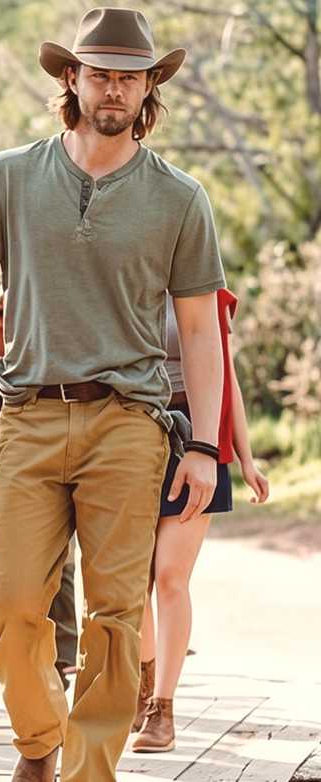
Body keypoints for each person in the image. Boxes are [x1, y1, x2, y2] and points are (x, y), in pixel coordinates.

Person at [0, 8, 228, 781]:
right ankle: (40, 741)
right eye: (99, 74)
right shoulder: (9, 175)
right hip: (28, 417)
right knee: (7, 603)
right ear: (70, 78)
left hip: (130, 422)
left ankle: (86, 770)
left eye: (128, 78)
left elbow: (202, 335)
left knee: (113, 615)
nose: (113, 90)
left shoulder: (179, 198)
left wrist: (205, 445)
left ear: (148, 89)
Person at [132, 290, 270, 751]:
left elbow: (226, 378)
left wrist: (246, 460)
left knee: (170, 575)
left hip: (197, 436)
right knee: (132, 582)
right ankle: (142, 681)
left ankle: (162, 708)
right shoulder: (127, 271)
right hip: (131, 432)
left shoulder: (209, 292)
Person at [0, 294, 80, 708]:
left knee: (60, 571)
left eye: (7, 318)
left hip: (47, 476)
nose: (0, 325)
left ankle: (61, 663)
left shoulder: (46, 356)